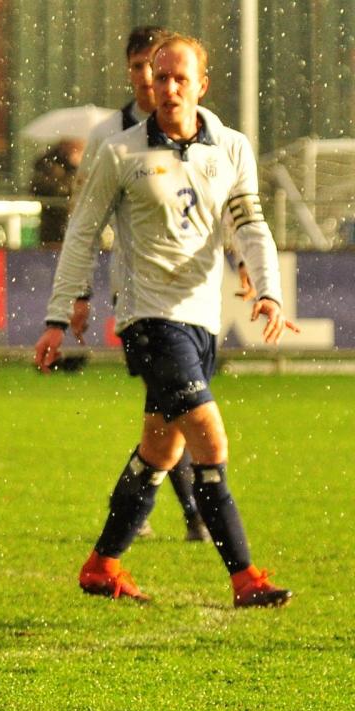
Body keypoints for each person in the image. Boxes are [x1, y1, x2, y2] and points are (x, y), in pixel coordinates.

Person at [34, 35, 297, 608]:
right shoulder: (120, 153)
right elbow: (82, 232)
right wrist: (61, 312)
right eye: (160, 79)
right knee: (208, 431)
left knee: (161, 448)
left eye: (181, 79)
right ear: (148, 85)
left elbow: (248, 224)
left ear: (203, 84)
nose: (169, 88)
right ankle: (245, 576)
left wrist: (268, 290)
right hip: (147, 317)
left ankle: (102, 564)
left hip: (203, 319)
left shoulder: (230, 147)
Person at [70, 25, 210, 543]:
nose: (151, 80)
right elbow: (85, 219)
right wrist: (79, 294)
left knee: (169, 410)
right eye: (140, 68)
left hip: (190, 295)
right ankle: (191, 512)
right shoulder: (113, 137)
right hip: (137, 293)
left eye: (160, 69)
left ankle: (133, 509)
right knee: (177, 403)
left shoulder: (201, 132)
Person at [29, 138, 84, 246]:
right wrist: (73, 169)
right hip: (54, 230)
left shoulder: (90, 160)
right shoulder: (48, 162)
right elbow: (38, 189)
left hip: (81, 229)